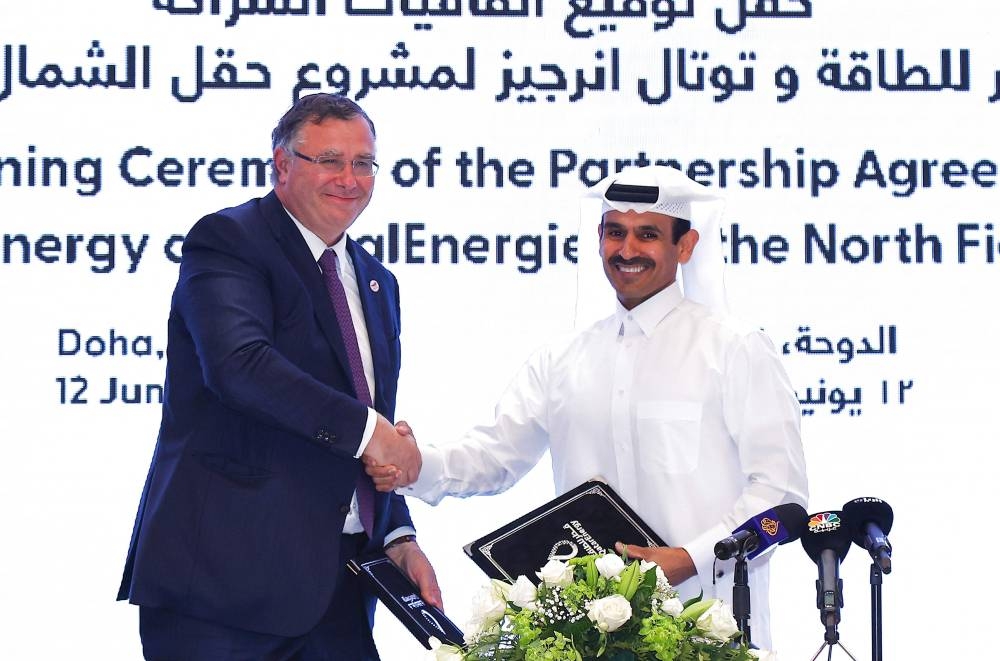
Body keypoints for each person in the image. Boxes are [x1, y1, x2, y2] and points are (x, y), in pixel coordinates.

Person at [372, 165, 808, 649]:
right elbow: (494, 456)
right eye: (615, 232)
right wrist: (415, 465)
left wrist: (688, 557)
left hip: (709, 628)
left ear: (685, 247)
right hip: (589, 639)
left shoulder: (735, 349)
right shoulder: (563, 359)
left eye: (648, 235)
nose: (627, 250)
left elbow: (780, 493)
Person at [118, 93, 439, 661]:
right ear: (282, 165)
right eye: (329, 160)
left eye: (364, 163)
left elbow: (367, 429)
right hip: (222, 594)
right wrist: (374, 433)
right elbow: (240, 367)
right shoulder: (229, 241)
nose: (349, 178)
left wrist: (396, 535)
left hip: (340, 591)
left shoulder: (376, 282)